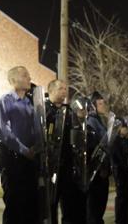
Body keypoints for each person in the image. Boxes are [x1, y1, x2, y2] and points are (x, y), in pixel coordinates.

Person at [0, 66, 39, 224]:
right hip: (12, 162)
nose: (29, 77)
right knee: (15, 209)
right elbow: (2, 131)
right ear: (13, 80)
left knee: (31, 209)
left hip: (31, 162)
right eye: (25, 75)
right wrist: (24, 150)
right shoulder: (4, 101)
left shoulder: (30, 104)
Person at [46, 80, 84, 224]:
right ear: (51, 90)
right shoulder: (43, 109)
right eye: (61, 88)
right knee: (51, 204)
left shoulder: (69, 111)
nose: (65, 91)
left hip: (67, 165)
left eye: (66, 89)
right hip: (50, 165)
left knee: (69, 205)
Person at [86, 91, 111, 224]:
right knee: (95, 207)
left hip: (103, 170)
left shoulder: (99, 120)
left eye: (103, 103)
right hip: (96, 171)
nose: (103, 106)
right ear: (93, 106)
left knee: (100, 204)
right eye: (100, 103)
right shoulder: (91, 122)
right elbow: (95, 147)